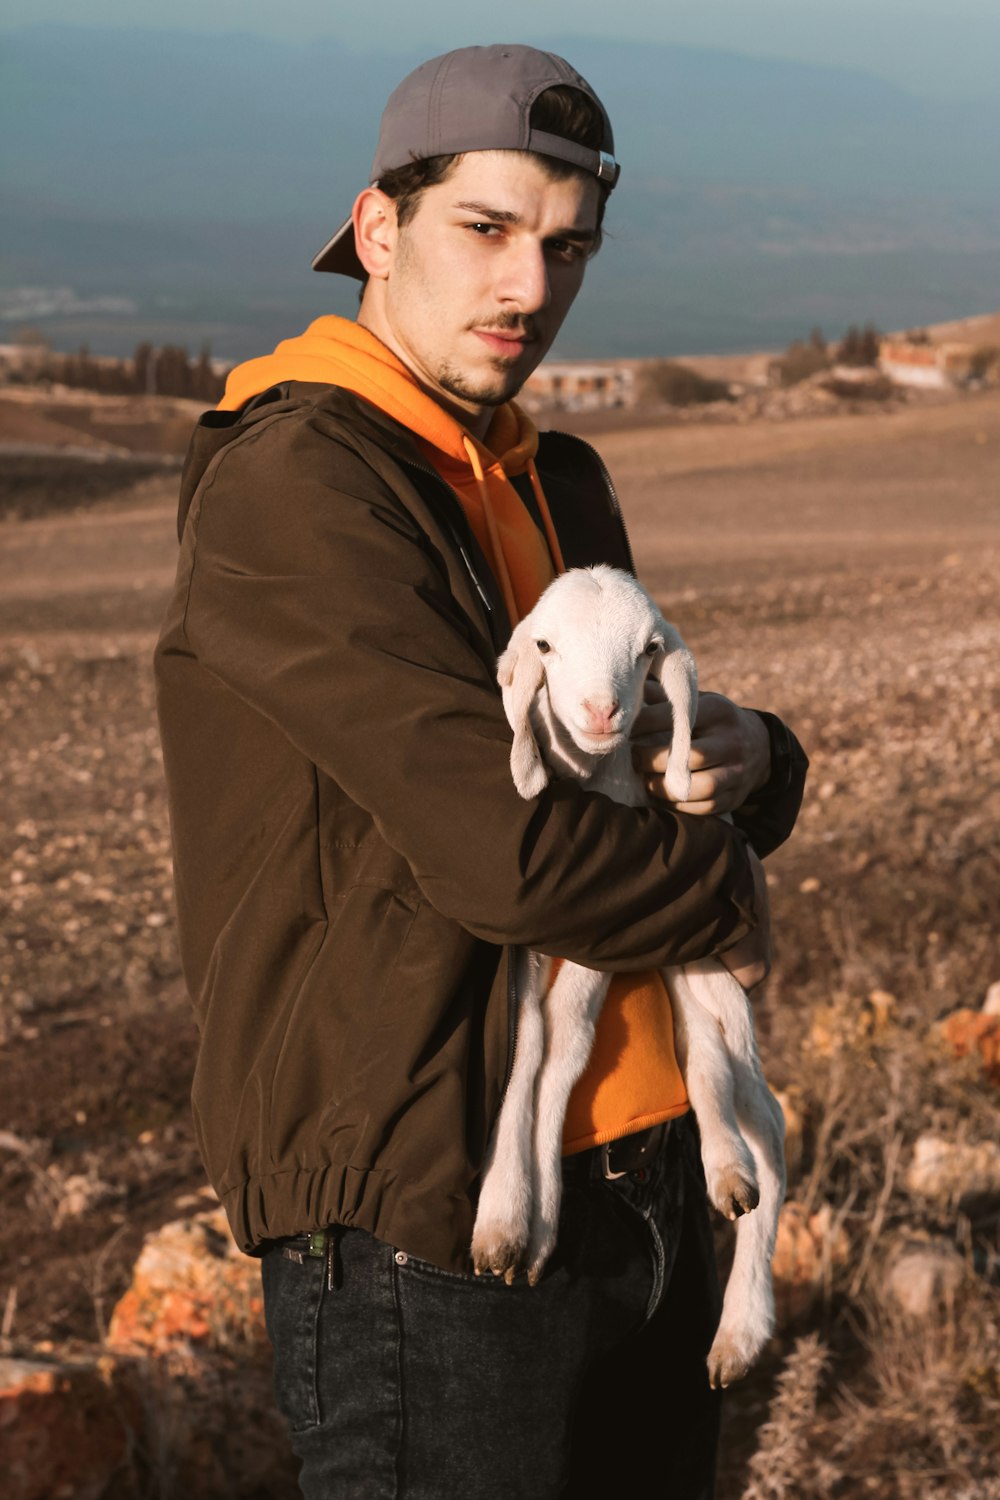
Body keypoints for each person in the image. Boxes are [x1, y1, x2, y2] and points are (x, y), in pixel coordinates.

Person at [154, 43, 807, 1500]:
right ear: (379, 231)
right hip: (432, 1229)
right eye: (487, 230)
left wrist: (753, 761)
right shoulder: (299, 483)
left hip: (648, 1189)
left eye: (568, 247)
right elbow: (506, 853)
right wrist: (734, 884)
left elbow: (614, 761)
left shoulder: (550, 477)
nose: (532, 289)